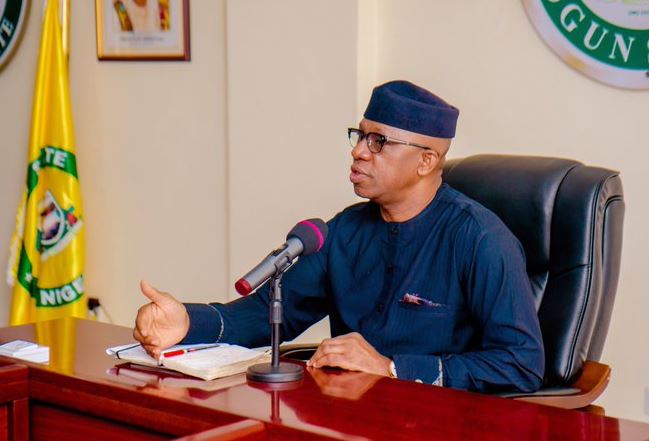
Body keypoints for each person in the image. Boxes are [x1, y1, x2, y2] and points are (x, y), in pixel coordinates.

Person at [134, 80, 544, 393]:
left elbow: (521, 364)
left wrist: (393, 368)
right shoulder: (344, 230)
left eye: (378, 142)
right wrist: (187, 320)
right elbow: (269, 314)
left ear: (425, 161)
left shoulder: (481, 240)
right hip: (348, 419)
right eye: (360, 135)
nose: (359, 151)